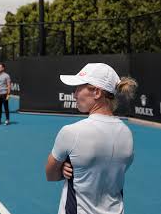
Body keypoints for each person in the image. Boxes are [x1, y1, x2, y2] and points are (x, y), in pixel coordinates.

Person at [46, 63, 137, 214]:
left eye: (78, 88)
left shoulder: (71, 132)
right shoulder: (127, 133)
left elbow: (51, 174)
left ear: (96, 92)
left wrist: (62, 169)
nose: (74, 94)